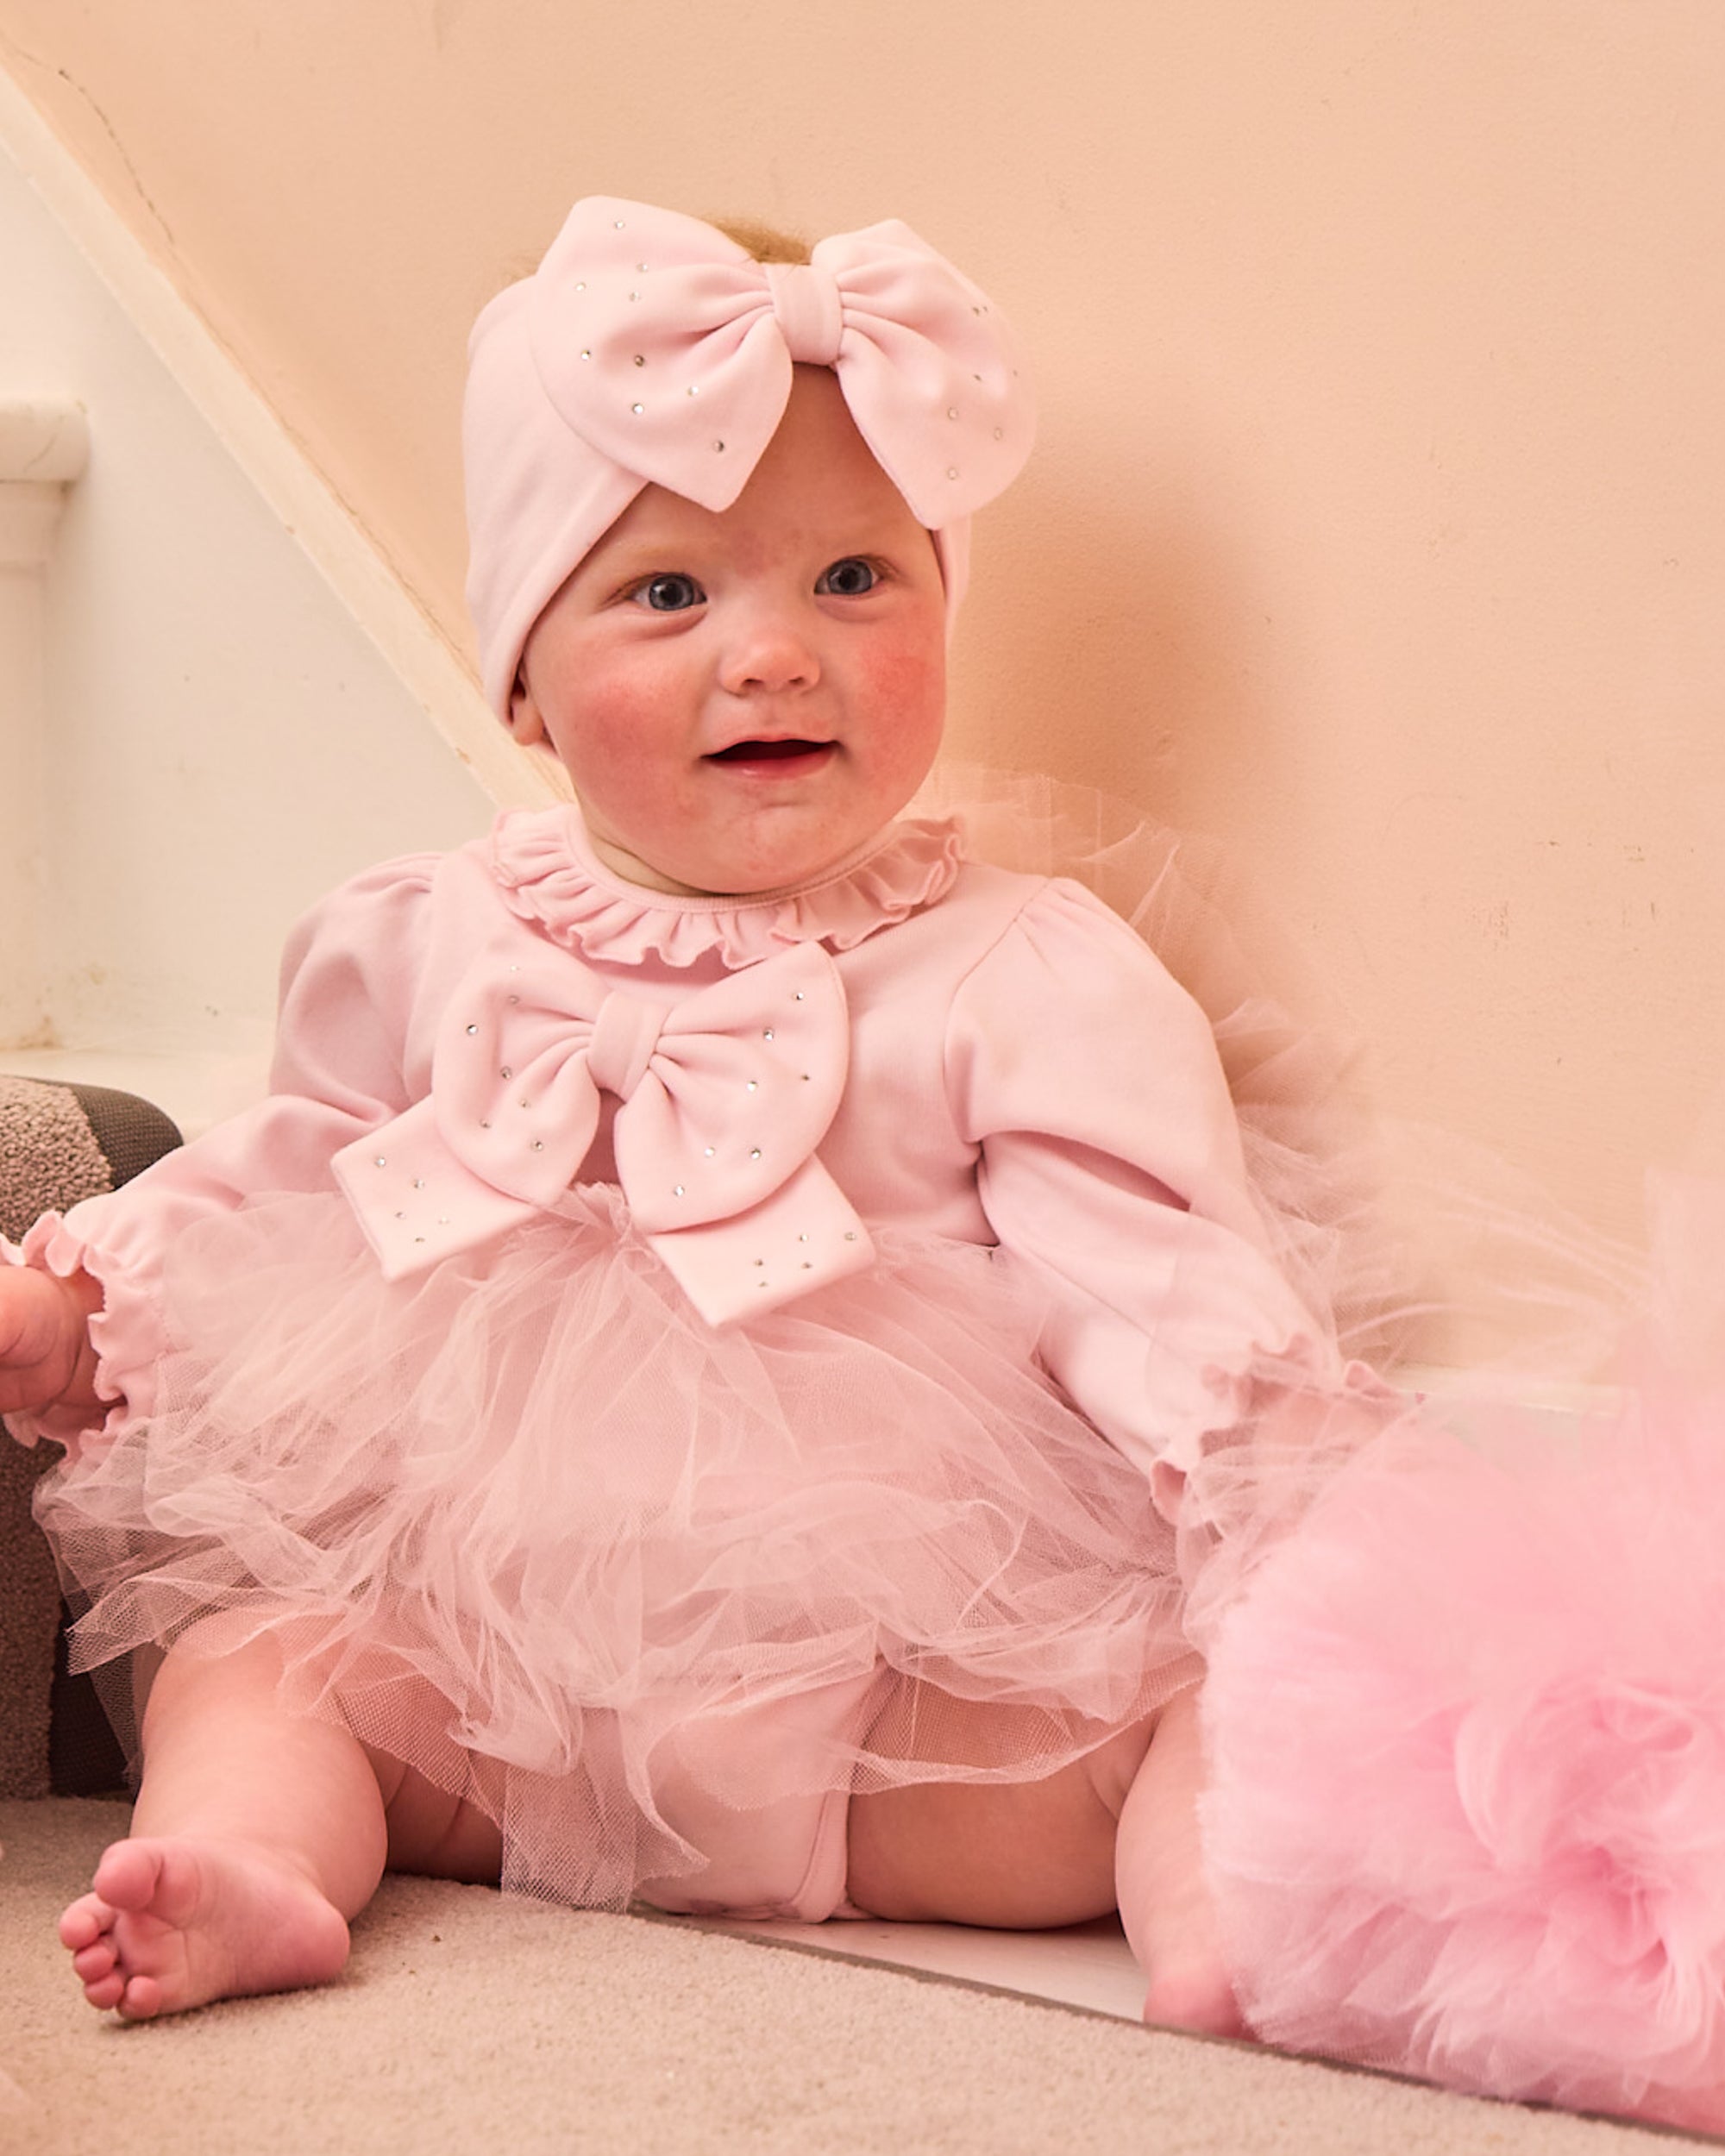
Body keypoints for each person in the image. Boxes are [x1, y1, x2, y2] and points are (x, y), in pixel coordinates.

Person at [2, 194, 1363, 2030]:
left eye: (855, 578)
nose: (776, 649)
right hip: (488, 1709)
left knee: (1179, 1697)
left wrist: (1262, 1474)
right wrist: (86, 1300)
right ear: (527, 687)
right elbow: (300, 1168)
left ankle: (1223, 1919)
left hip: (891, 1716)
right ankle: (256, 1866)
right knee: (254, 1659)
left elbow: (1143, 1273)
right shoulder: (428, 933)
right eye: (669, 591)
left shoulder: (1016, 969)